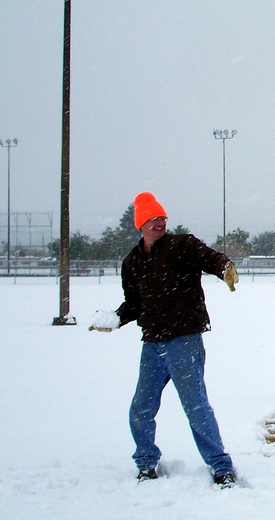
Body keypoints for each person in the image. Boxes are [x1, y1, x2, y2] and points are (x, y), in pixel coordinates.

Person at [89, 192, 240, 486]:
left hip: (184, 340)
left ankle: (221, 466)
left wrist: (224, 268)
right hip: (152, 344)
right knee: (141, 408)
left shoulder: (181, 245)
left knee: (196, 406)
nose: (159, 223)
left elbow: (208, 257)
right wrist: (115, 319)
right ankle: (146, 463)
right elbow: (134, 303)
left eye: (162, 218)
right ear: (140, 224)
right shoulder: (132, 262)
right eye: (152, 219)